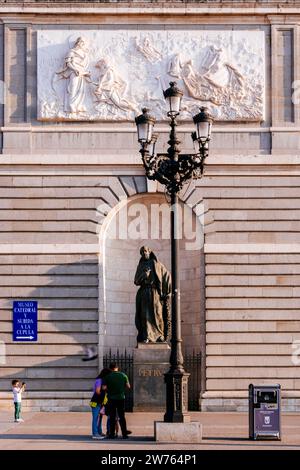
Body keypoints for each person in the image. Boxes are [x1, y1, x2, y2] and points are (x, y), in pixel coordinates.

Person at [134, 246, 171, 343]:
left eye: (145, 251)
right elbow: (136, 281)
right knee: (145, 315)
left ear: (150, 252)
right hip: (144, 292)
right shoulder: (141, 266)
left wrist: (168, 290)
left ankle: (160, 335)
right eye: (142, 252)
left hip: (155, 293)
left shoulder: (156, 264)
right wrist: (144, 275)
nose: (144, 253)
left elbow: (166, 275)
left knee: (158, 314)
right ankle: (147, 336)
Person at [102, 363, 131, 439]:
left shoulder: (107, 377)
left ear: (110, 368)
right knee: (122, 416)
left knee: (112, 416)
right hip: (121, 398)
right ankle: (124, 434)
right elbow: (128, 386)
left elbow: (104, 388)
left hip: (111, 398)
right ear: (117, 368)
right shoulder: (123, 375)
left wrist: (110, 389)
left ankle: (112, 434)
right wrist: (121, 388)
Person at [90, 368, 111, 440]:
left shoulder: (102, 380)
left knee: (100, 418)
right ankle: (95, 434)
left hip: (100, 402)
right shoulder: (99, 380)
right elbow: (98, 391)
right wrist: (104, 390)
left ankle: (99, 431)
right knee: (95, 418)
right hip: (96, 402)